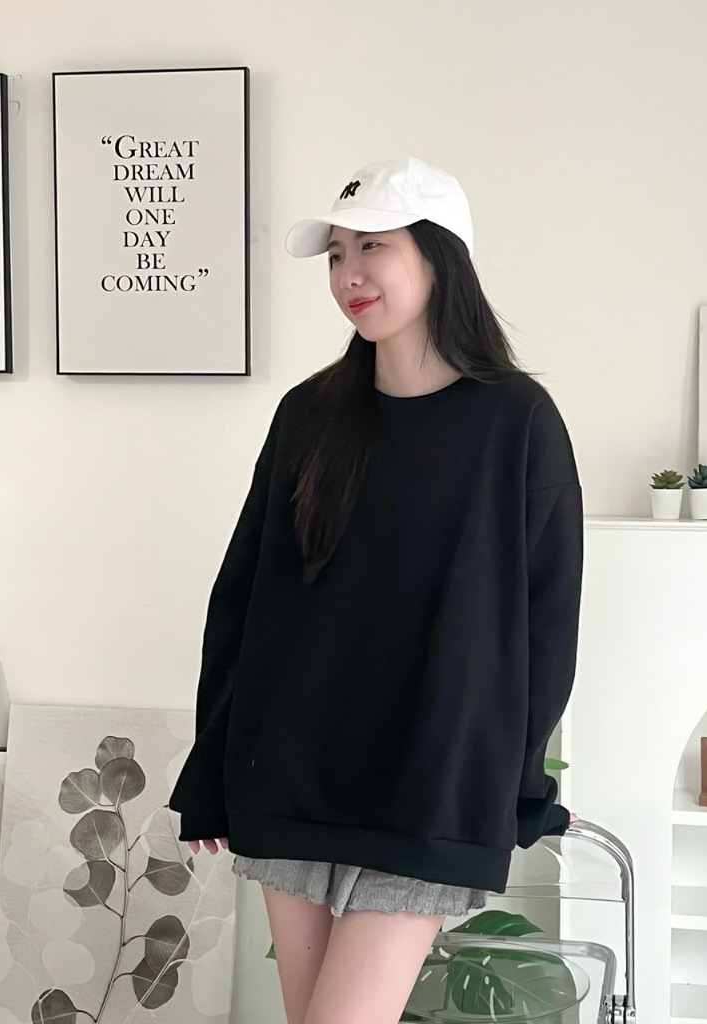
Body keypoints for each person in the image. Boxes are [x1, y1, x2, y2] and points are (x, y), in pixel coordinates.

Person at [168, 156, 584, 1024]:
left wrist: (516, 789)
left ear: (439, 257)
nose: (347, 275)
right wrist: (211, 768)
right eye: (335, 255)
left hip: (429, 783)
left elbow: (546, 626)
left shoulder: (517, 422)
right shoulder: (309, 414)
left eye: (372, 248)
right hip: (292, 770)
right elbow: (244, 596)